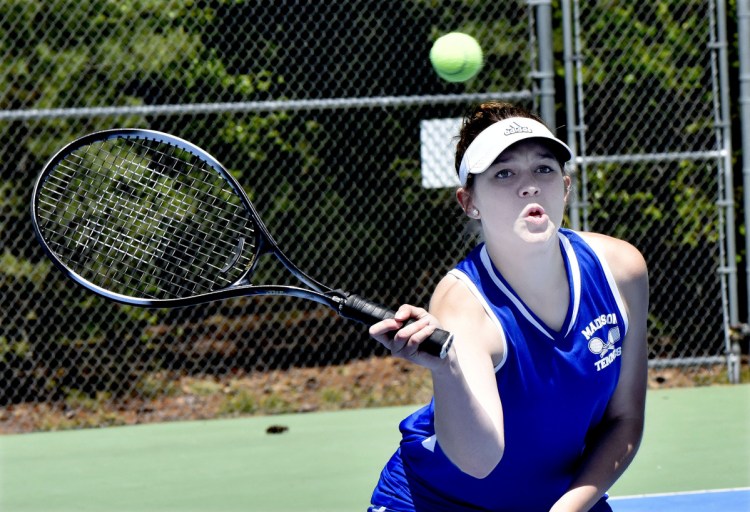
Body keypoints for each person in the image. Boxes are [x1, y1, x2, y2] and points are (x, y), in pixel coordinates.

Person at [367, 102, 649, 512]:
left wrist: (567, 508)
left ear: (565, 188)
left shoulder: (621, 271)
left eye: (543, 168)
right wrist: (447, 369)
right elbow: (478, 460)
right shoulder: (462, 305)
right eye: (504, 173)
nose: (529, 185)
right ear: (468, 202)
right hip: (436, 501)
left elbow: (625, 420)